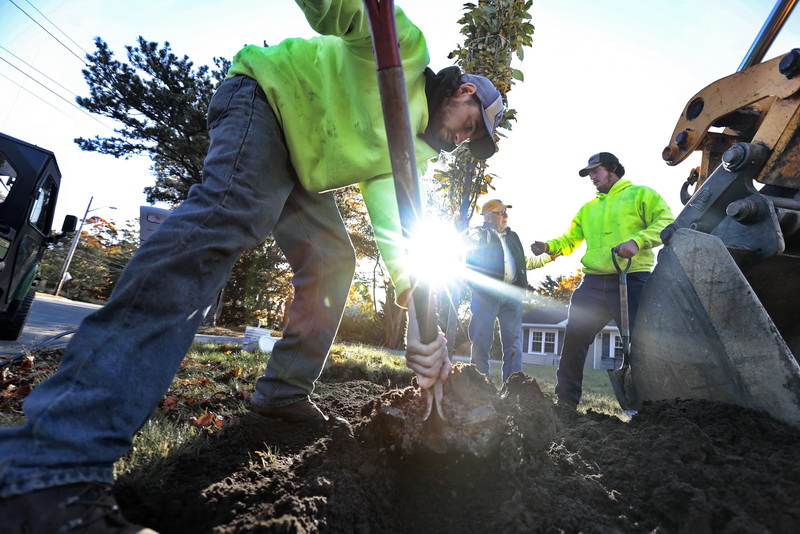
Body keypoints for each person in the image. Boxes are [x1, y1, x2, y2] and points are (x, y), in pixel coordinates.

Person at [0, 1, 505, 532]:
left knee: (334, 258)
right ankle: (49, 463)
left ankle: (281, 400)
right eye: (471, 129)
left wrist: (421, 320)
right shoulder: (402, 49)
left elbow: (398, 230)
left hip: (299, 164)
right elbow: (340, 11)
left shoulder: (412, 153)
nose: (460, 144)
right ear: (464, 92)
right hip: (266, 101)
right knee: (228, 215)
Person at [530, 152, 673, 410]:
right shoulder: (588, 209)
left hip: (631, 279)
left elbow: (666, 223)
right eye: (589, 173)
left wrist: (637, 241)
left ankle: (652, 406)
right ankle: (565, 402)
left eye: (596, 171)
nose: (592, 177)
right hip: (593, 284)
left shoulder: (641, 195)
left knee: (642, 344)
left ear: (613, 168)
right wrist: (549, 246)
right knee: (574, 338)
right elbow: (570, 240)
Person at [466, 199, 553, 383]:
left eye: (506, 212)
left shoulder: (513, 237)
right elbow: (468, 263)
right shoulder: (478, 235)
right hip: (486, 297)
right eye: (500, 212)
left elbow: (524, 263)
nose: (505, 215)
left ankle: (514, 388)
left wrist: (549, 256)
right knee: (481, 342)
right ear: (488, 217)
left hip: (512, 296)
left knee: (514, 345)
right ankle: (480, 386)